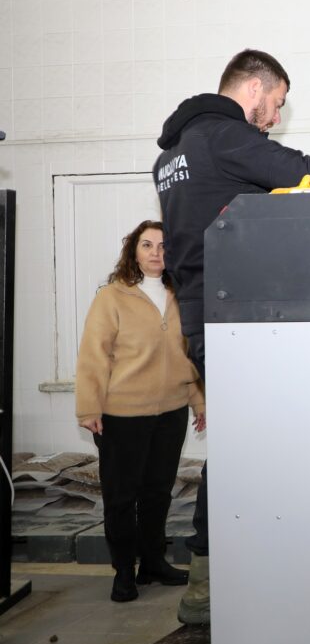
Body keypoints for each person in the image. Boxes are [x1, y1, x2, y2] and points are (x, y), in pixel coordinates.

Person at [153, 49, 310, 624]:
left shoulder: (171, 155)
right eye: (277, 103)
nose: (275, 117)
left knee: (246, 443)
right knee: (254, 447)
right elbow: (299, 171)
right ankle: (219, 580)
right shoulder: (221, 135)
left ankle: (225, 575)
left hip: (205, 309)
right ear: (255, 88)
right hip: (236, 313)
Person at [76, 221, 205, 603]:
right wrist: (89, 407)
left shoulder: (180, 295)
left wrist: (198, 401)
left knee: (157, 494)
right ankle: (123, 572)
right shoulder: (112, 297)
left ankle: (153, 563)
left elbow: (187, 355)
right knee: (121, 498)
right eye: (147, 245)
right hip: (122, 415)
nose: (155, 253)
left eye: (163, 246)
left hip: (171, 412)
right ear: (133, 251)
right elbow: (94, 356)